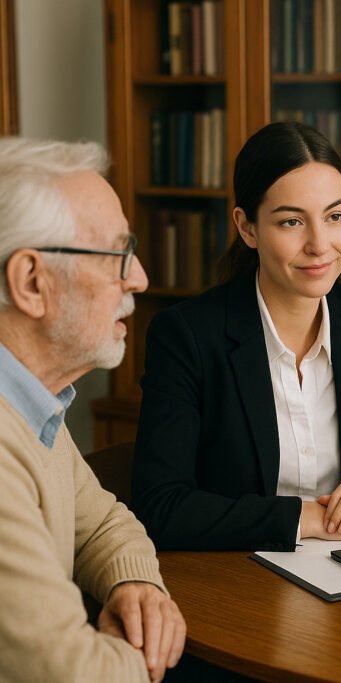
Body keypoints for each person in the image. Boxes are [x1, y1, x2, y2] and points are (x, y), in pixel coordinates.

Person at [131, 122, 341, 551]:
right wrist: (308, 518)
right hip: (237, 572)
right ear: (247, 228)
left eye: (335, 216)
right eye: (292, 221)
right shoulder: (186, 335)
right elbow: (160, 505)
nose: (320, 244)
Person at [0, 137, 186, 681]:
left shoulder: (34, 401)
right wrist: (144, 650)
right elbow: (72, 673)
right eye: (117, 255)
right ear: (32, 282)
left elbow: (102, 522)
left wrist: (136, 584)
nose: (140, 278)